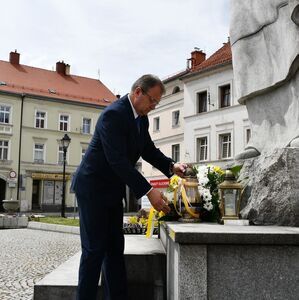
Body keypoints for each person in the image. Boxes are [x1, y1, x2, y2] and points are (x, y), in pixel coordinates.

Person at [71, 74, 186, 300]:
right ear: (138, 92)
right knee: (94, 251)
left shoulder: (141, 119)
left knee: (114, 250)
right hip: (92, 188)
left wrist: (171, 166)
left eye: (157, 103)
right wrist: (149, 190)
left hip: (112, 191)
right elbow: (117, 161)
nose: (153, 107)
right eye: (152, 100)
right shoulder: (113, 115)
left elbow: (148, 150)